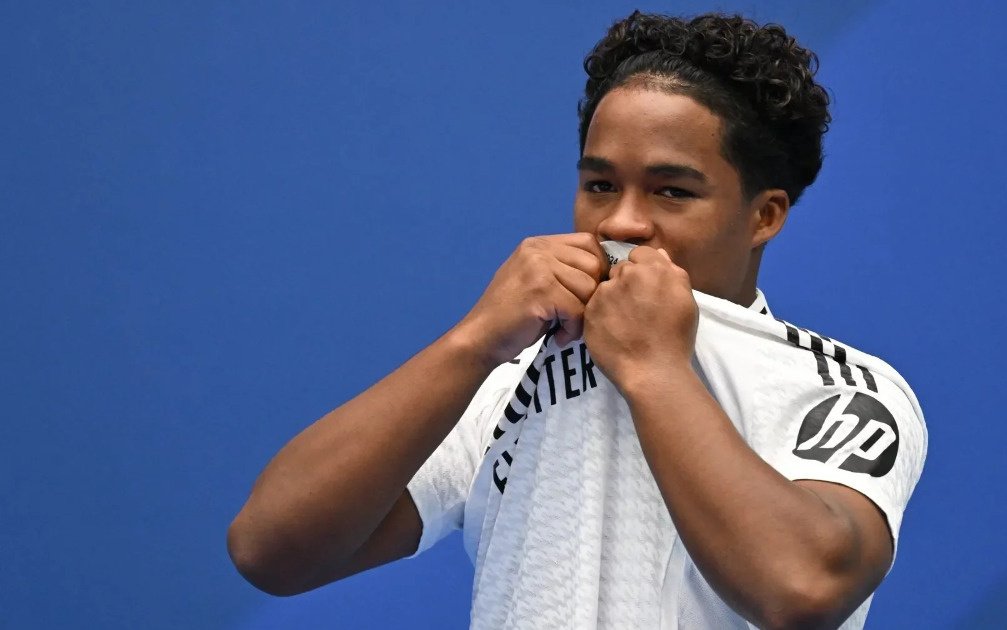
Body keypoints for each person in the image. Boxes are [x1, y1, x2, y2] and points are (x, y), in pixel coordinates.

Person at [228, 11, 926, 629]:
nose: (620, 222)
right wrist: (474, 342)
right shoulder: (505, 380)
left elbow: (802, 590)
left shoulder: (841, 389)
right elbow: (270, 551)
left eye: (671, 192)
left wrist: (652, 367)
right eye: (600, 185)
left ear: (764, 216)